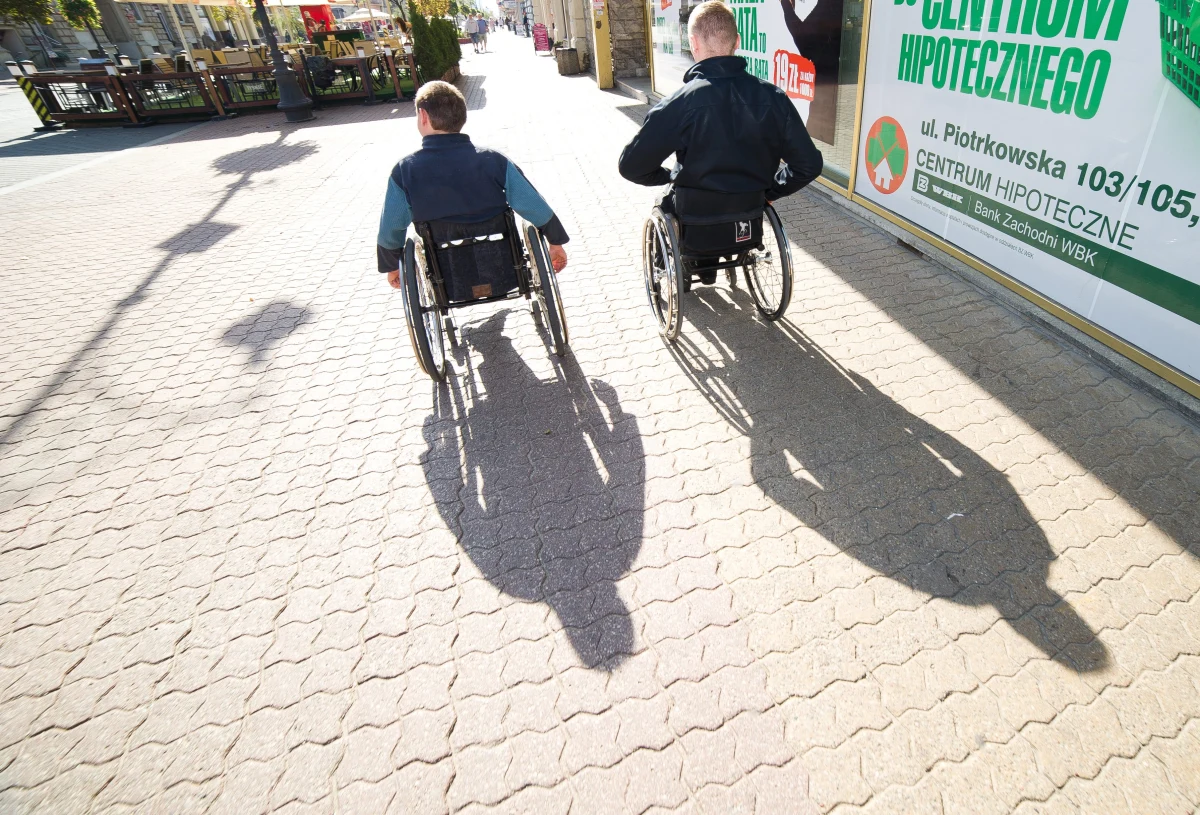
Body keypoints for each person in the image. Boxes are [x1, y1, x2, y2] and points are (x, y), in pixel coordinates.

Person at [617, 1, 823, 230]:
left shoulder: (678, 104)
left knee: (663, 205)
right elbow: (809, 165)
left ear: (693, 42)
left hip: (695, 222)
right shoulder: (774, 98)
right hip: (749, 215)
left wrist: (668, 176)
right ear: (737, 41)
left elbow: (631, 166)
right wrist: (769, 192)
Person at [377, 81, 569, 290]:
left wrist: (392, 266)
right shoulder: (494, 160)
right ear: (462, 116)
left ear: (423, 116)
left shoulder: (404, 171)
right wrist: (555, 241)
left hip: (447, 281)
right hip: (504, 271)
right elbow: (532, 203)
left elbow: (391, 226)